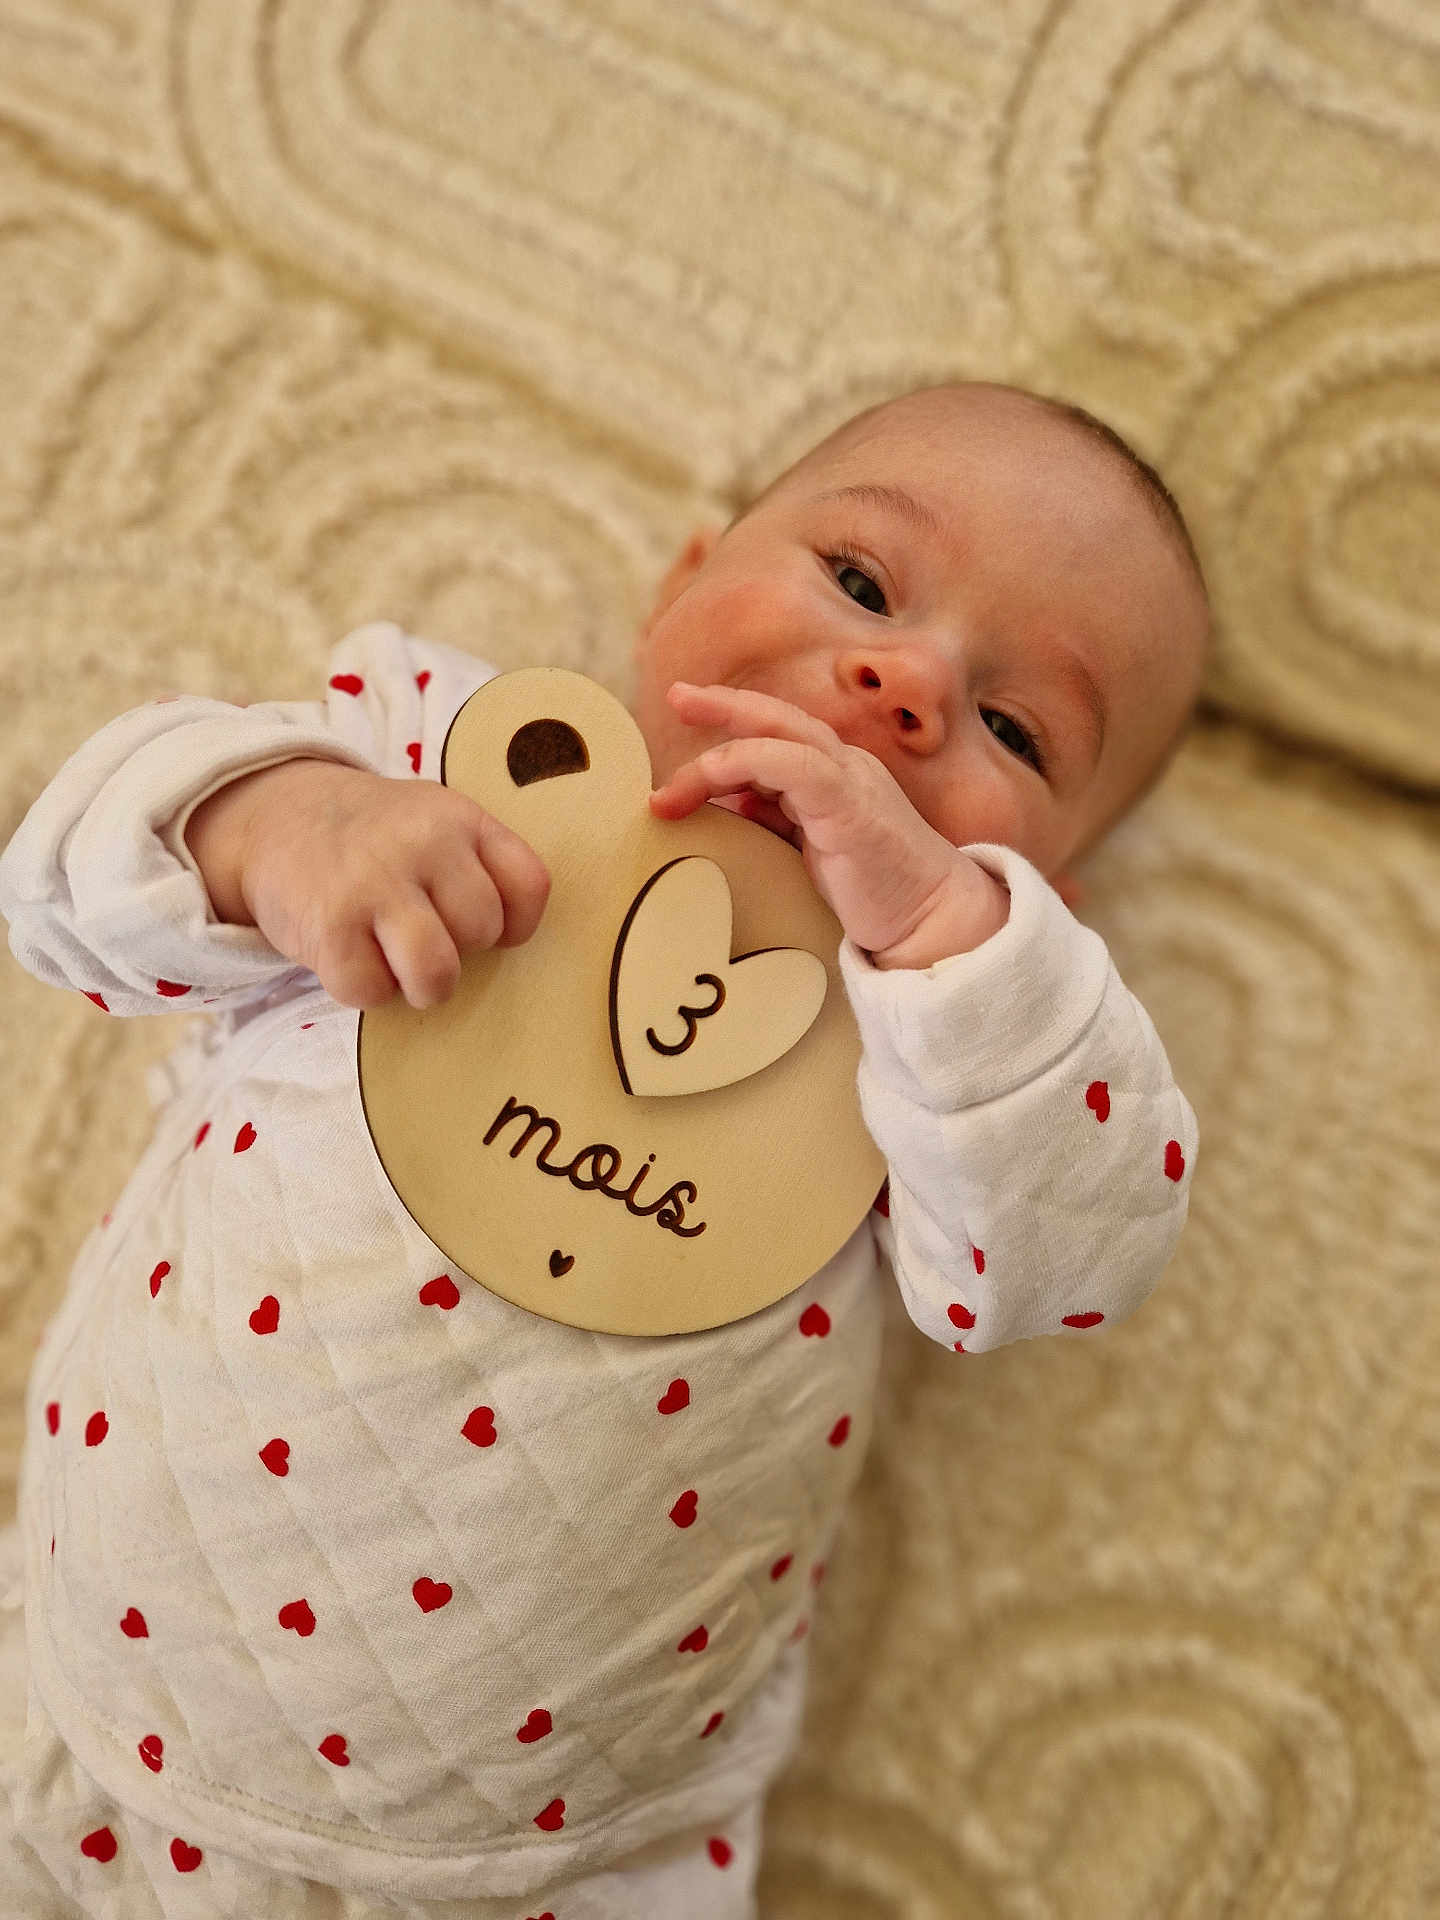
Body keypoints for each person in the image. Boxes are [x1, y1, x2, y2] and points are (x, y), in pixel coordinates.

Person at [0, 382, 1206, 1918]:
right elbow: (67, 886)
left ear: (1051, 897)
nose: (907, 682)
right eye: (858, 579)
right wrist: (282, 827)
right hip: (84, 1679)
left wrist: (955, 951)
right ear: (682, 582)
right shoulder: (457, 759)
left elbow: (1075, 1257)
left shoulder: (943, 1052)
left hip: (561, 1856)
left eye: (1018, 730)